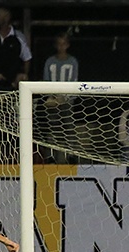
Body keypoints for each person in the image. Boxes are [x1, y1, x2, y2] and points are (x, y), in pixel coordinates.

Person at [38, 32, 78, 164]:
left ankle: (71, 155)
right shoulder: (50, 61)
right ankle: (50, 156)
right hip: (52, 101)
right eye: (59, 44)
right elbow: (46, 80)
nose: (61, 47)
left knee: (69, 127)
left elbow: (74, 81)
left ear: (67, 45)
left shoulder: (72, 61)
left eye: (63, 44)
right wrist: (52, 97)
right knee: (52, 127)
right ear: (56, 45)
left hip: (67, 100)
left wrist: (65, 97)